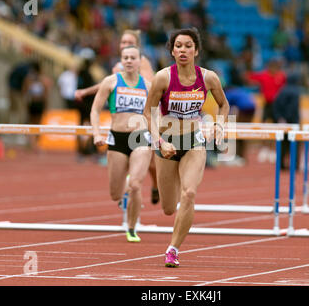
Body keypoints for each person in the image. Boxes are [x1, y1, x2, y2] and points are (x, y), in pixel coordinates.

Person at [143, 28, 229, 267]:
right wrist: (159, 142)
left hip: (193, 142)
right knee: (169, 208)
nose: (183, 50)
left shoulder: (209, 77)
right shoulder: (163, 78)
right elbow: (147, 113)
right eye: (178, 46)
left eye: (188, 46)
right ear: (172, 51)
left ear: (196, 50)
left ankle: (173, 249)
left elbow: (224, 105)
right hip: (166, 144)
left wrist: (220, 127)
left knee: (189, 193)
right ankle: (172, 183)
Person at [75, 29, 159, 204]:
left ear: (137, 46)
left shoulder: (142, 63)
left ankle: (152, 186)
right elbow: (107, 84)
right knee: (116, 190)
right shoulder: (118, 67)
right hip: (119, 132)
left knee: (149, 165)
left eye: (129, 43)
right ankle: (130, 186)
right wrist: (87, 91)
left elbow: (151, 87)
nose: (125, 46)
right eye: (123, 43)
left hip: (140, 127)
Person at [91, 45, 153, 243]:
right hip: (117, 138)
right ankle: (126, 182)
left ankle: (132, 228)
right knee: (115, 194)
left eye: (132, 57)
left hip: (140, 138)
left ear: (139, 61)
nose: (128, 60)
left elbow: (155, 114)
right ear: (120, 60)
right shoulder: (110, 82)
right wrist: (96, 134)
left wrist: (158, 137)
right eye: (125, 57)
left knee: (136, 185)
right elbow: (94, 110)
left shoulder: (148, 86)